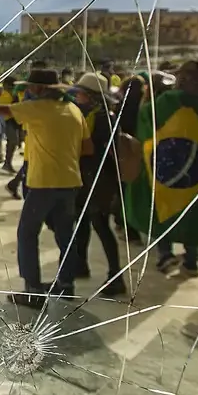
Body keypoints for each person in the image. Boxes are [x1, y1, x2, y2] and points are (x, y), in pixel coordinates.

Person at [0, 68, 90, 307]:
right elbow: (87, 148)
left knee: (27, 234)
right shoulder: (73, 110)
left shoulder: (37, 108)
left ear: (39, 89)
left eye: (30, 86)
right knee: (65, 236)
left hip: (43, 183)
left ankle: (33, 292)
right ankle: (65, 285)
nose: (27, 90)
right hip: (70, 181)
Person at [126, 60, 198, 278]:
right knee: (194, 212)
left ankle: (166, 255)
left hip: (166, 170)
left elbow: (146, 123)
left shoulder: (166, 101)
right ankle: (191, 261)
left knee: (162, 209)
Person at [69, 73, 126, 296]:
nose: (77, 96)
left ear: (92, 96)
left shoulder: (102, 118)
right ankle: (81, 264)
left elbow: (96, 150)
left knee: (100, 225)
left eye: (81, 93)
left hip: (99, 179)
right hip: (89, 177)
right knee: (82, 222)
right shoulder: (96, 114)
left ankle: (116, 276)